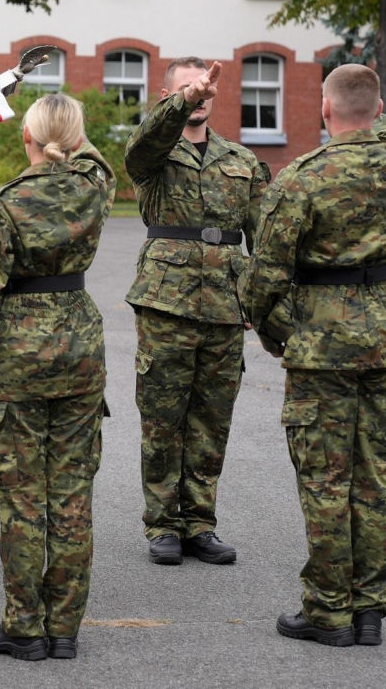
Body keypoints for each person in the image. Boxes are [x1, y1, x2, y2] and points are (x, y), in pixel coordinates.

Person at [240, 64, 386, 647]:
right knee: (380, 475)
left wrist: (279, 331)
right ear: (380, 106)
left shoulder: (303, 177)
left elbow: (264, 279)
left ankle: (328, 610)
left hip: (322, 345)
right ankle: (371, 611)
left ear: (326, 111)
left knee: (326, 479)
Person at [0, 93, 115, 661]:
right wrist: (73, 137)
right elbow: (96, 159)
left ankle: (25, 626)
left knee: (22, 499)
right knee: (72, 494)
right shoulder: (96, 190)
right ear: (77, 139)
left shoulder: (4, 205)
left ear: (26, 140)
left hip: (20, 358)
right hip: (81, 351)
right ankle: (64, 627)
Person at [124, 58, 269, 565]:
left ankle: (200, 522)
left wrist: (256, 297)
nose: (200, 93)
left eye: (205, 87)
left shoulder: (242, 161)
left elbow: (264, 240)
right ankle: (162, 523)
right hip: (168, 302)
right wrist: (181, 103)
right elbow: (140, 146)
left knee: (212, 418)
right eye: (187, 87)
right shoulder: (155, 153)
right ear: (166, 93)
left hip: (225, 305)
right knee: (163, 418)